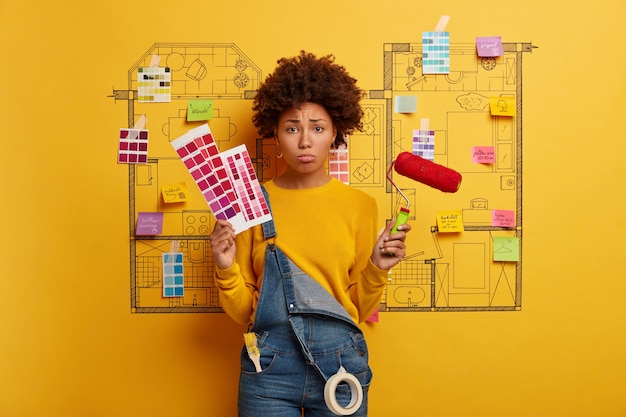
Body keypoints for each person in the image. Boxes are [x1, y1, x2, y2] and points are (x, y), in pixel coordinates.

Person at [209, 51, 411, 417]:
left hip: (342, 365)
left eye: (317, 128)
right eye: (292, 128)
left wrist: (377, 267)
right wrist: (225, 267)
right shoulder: (250, 202)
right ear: (275, 132)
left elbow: (359, 310)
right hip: (268, 371)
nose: (305, 141)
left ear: (336, 132)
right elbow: (243, 312)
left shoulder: (361, 206)